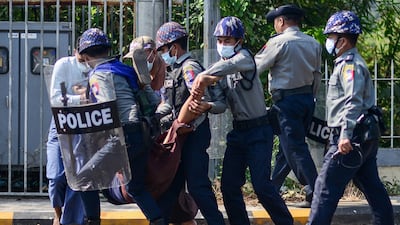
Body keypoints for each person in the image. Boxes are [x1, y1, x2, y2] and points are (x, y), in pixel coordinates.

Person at [190, 16, 293, 225]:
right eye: (220, 40)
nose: (223, 45)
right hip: (238, 134)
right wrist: (207, 106)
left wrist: (202, 77)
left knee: (262, 185)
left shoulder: (245, 58)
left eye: (228, 40)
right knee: (228, 186)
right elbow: (220, 105)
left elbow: (230, 66)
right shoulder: (218, 71)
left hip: (259, 130)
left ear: (239, 41)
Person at [307, 11, 394, 225]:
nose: (328, 41)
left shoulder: (350, 65)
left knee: (324, 189)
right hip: (361, 136)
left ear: (342, 40)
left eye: (331, 37)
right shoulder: (348, 63)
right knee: (372, 187)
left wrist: (344, 135)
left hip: (349, 137)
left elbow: (352, 101)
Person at [78, 28, 164, 225]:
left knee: (84, 178)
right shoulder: (124, 70)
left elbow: (106, 109)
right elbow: (152, 99)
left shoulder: (98, 75)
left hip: (120, 135)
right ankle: (158, 221)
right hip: (140, 133)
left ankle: (92, 221)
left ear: (84, 55)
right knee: (136, 187)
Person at [155, 21, 226, 225]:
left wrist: (201, 111)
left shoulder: (189, 68)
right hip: (179, 135)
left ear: (174, 48)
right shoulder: (173, 69)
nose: (161, 54)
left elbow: (199, 102)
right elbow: (169, 103)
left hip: (193, 135)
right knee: (170, 186)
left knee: (197, 186)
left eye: (162, 49)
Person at [255, 4, 322, 207]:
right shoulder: (313, 43)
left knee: (295, 147)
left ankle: (316, 191)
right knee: (286, 149)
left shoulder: (278, 42)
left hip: (286, 102)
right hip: (307, 99)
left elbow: (255, 67)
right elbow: (317, 76)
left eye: (275, 21)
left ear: (281, 21)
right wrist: (310, 98)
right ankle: (272, 189)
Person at [46, 38, 87, 225]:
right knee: (56, 176)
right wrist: (81, 96)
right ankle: (58, 212)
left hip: (84, 123)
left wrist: (75, 94)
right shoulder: (64, 64)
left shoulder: (95, 67)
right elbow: (56, 98)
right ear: (76, 50)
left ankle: (69, 221)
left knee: (76, 178)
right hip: (61, 121)